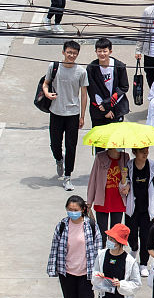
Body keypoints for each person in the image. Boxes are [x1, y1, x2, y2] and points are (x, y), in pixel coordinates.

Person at [42, 40, 89, 192]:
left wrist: (82, 116)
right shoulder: (54, 67)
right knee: (55, 143)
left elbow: (83, 94)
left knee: (71, 146)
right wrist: (47, 93)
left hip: (73, 114)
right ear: (63, 52)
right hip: (56, 111)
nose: (71, 55)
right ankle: (58, 158)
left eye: (74, 53)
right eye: (69, 52)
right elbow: (45, 83)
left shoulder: (81, 72)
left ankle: (68, 176)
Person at [48, 196, 101, 298]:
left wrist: (99, 269)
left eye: (75, 209)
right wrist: (52, 267)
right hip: (67, 272)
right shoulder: (62, 225)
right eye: (69, 209)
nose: (72, 212)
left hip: (85, 271)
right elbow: (55, 246)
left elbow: (98, 247)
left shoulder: (91, 226)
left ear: (82, 210)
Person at [92, 222, 142, 298]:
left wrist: (121, 284)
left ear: (120, 242)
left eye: (112, 239)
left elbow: (136, 283)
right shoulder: (101, 255)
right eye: (109, 238)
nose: (109, 241)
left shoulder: (129, 261)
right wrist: (98, 277)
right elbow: (94, 273)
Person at [124, 146, 154, 258]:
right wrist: (124, 184)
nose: (145, 154)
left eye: (147, 151)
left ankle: (143, 263)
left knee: (146, 236)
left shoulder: (153, 166)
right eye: (142, 152)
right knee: (131, 234)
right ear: (134, 152)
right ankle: (134, 248)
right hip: (132, 208)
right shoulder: (128, 166)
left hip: (147, 208)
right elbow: (123, 186)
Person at [86, 38, 131, 127]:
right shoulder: (91, 68)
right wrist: (105, 111)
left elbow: (124, 87)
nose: (102, 54)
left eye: (104, 51)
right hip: (98, 110)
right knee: (98, 139)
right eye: (99, 51)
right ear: (96, 51)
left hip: (116, 110)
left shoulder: (119, 66)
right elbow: (92, 91)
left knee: (115, 139)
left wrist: (108, 104)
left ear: (110, 51)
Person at [87, 147, 130, 237]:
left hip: (118, 201)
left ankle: (113, 250)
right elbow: (93, 179)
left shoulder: (125, 157)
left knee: (115, 234)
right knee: (102, 233)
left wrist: (124, 177)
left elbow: (128, 181)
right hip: (102, 201)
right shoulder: (100, 157)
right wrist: (89, 202)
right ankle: (102, 250)